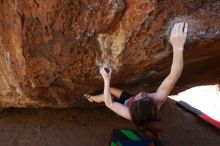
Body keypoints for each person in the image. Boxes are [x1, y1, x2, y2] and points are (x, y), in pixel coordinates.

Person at [84, 22, 188, 139]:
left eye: (137, 98)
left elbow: (109, 103)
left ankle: (90, 98)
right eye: (144, 96)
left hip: (129, 104)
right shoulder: (159, 98)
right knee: (112, 90)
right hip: (137, 105)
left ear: (132, 106)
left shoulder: (128, 113)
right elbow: (174, 75)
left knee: (106, 95)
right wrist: (178, 47)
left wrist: (106, 79)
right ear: (151, 103)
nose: (139, 94)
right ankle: (97, 97)